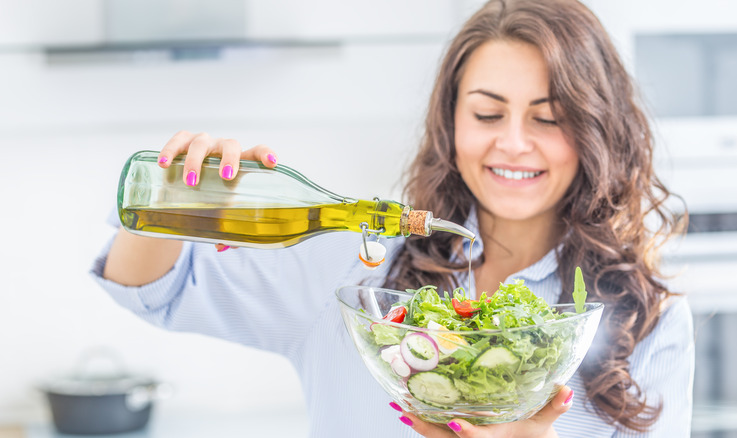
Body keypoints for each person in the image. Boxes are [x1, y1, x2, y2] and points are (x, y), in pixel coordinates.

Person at [90, 0, 694, 436]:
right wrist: (169, 204)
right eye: (487, 115)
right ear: (451, 124)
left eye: (548, 117)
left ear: (595, 129)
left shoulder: (647, 318)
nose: (513, 143)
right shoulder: (355, 266)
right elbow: (152, 291)